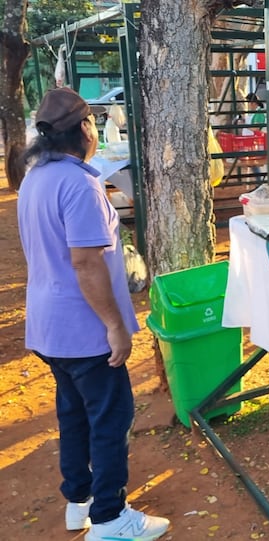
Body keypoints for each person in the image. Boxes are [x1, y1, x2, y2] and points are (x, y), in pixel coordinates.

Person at [16, 87, 170, 541]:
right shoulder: (79, 185)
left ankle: (77, 501)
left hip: (48, 327)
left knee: (74, 414)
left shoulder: (36, 178)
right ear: (83, 129)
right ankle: (110, 517)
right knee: (110, 419)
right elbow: (85, 263)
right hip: (83, 329)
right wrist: (114, 326)